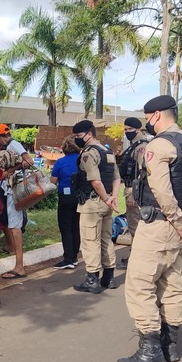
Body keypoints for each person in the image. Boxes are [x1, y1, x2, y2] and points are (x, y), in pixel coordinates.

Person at [117, 94, 182, 362]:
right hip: (176, 229)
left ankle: (150, 351)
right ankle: (170, 345)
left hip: (157, 225)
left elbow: (161, 190)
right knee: (171, 282)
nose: (147, 123)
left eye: (147, 118)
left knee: (139, 284)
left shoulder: (159, 144)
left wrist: (180, 222)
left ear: (155, 115)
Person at [71, 120, 121, 293]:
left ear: (89, 134)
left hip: (92, 204)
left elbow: (94, 180)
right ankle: (109, 277)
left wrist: (107, 198)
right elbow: (116, 177)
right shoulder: (107, 151)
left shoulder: (89, 153)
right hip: (106, 204)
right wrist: (113, 197)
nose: (77, 139)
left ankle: (92, 280)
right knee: (106, 239)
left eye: (78, 136)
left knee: (90, 241)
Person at [0, 124, 35, 279]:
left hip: (15, 191)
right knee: (13, 227)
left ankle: (19, 267)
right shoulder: (11, 145)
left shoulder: (13, 145)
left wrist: (10, 170)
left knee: (15, 227)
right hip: (11, 190)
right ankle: (18, 265)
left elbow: (29, 161)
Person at [117, 117, 149, 269]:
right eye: (125, 130)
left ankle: (137, 260)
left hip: (135, 189)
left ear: (137, 129)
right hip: (132, 188)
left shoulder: (141, 146)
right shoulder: (133, 145)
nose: (126, 132)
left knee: (135, 226)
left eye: (129, 129)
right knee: (134, 225)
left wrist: (133, 194)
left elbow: (143, 171)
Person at [50, 135, 81, 270]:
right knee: (76, 226)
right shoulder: (82, 161)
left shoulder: (60, 162)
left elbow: (53, 181)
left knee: (66, 227)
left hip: (66, 197)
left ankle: (68, 258)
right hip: (80, 197)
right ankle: (74, 257)